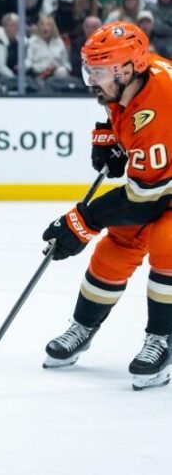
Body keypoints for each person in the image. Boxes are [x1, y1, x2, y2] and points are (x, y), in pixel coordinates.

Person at [41, 22, 172, 391]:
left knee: (167, 243)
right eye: (90, 69)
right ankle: (83, 327)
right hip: (161, 179)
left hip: (159, 186)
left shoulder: (160, 107)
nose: (90, 79)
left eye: (97, 72)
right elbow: (122, 113)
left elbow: (144, 199)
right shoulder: (140, 74)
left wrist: (82, 221)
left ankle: (162, 339)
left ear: (126, 69)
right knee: (116, 249)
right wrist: (109, 137)